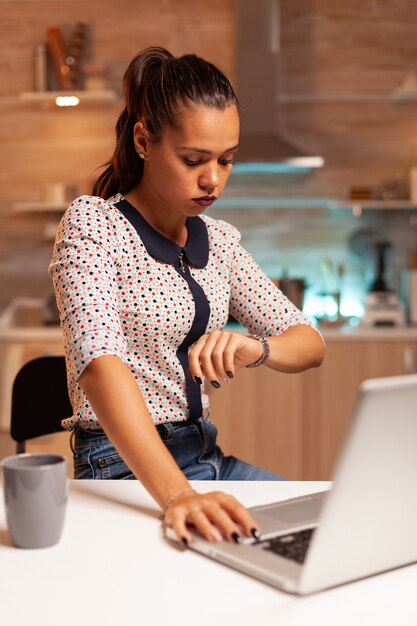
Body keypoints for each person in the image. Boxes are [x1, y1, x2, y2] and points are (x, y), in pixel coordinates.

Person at [49, 47, 325, 546]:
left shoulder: (218, 240)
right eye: (194, 159)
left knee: (328, 532)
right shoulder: (94, 224)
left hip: (205, 458)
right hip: (121, 468)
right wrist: (179, 495)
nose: (213, 178)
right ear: (143, 141)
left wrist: (256, 347)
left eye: (226, 160)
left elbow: (309, 341)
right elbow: (98, 360)